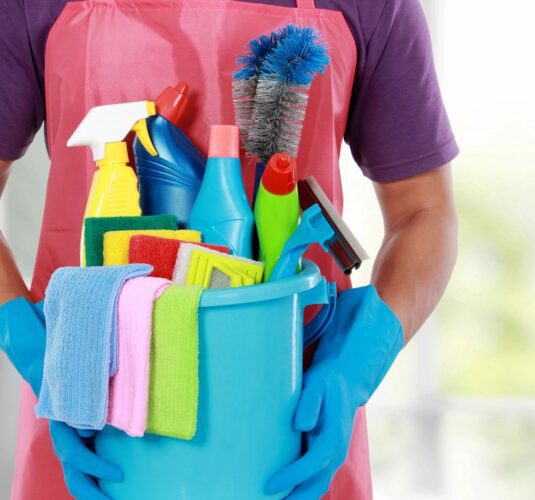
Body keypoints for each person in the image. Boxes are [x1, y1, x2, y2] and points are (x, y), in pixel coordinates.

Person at [0, 0, 458, 498]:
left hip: (288, 414)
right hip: (91, 402)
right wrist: (36, 350)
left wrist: (358, 361)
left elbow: (424, 213)